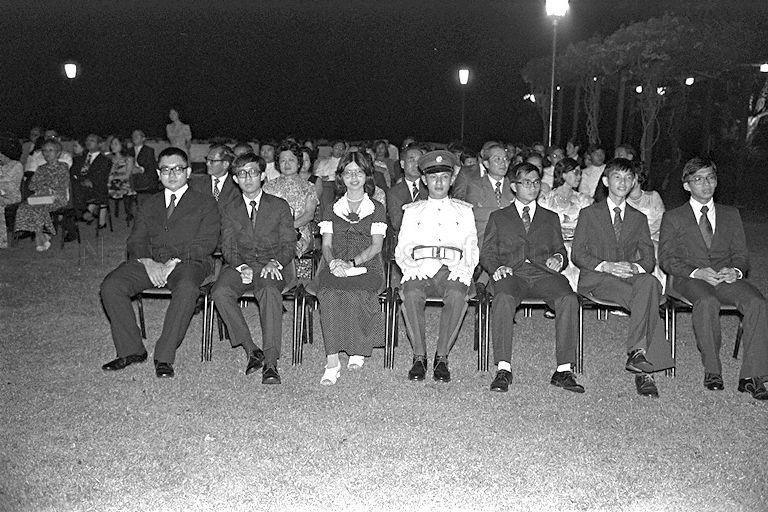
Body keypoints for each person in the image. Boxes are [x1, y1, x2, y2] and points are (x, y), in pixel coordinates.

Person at [100, 147, 219, 378]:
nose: (172, 174)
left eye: (177, 169)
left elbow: (206, 243)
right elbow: (135, 240)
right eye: (165, 169)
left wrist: (172, 262)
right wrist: (147, 261)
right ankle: (131, 350)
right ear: (158, 173)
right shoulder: (149, 204)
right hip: (150, 263)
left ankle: (164, 356)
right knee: (111, 286)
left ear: (189, 172)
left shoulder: (205, 203)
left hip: (189, 263)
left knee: (186, 288)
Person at [659, 157, 768, 400]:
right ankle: (713, 370)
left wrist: (736, 271)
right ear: (687, 185)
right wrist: (696, 272)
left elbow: (742, 256)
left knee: (757, 303)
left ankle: (753, 376)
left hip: (725, 277)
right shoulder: (674, 217)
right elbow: (666, 259)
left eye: (710, 178)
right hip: (689, 278)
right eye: (698, 179)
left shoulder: (731, 215)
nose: (705, 184)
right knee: (707, 302)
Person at [572, 158, 674, 397]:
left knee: (650, 282)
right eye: (618, 177)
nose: (623, 182)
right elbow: (578, 253)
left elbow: (649, 259)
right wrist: (606, 266)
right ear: (606, 181)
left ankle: (638, 353)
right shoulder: (589, 214)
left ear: (634, 183)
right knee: (647, 300)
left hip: (628, 276)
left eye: (629, 178)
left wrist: (633, 267)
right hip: (597, 279)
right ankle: (644, 371)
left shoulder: (638, 218)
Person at [481, 162, 582, 393]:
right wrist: (496, 267)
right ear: (514, 186)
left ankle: (564, 370)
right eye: (526, 182)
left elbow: (561, 250)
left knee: (568, 298)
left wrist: (558, 258)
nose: (533, 187)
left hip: (543, 273)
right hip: (512, 272)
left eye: (536, 182)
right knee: (503, 297)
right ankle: (504, 368)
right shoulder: (499, 217)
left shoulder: (550, 217)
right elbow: (487, 252)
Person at [395, 150, 479, 382]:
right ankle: (419, 356)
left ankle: (442, 357)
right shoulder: (412, 211)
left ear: (452, 180)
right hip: (421, 266)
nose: (439, 182)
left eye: (444, 177)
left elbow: (471, 246)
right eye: (433, 177)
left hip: (452, 268)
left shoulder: (464, 211)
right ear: (424, 180)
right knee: (410, 292)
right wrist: (411, 268)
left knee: (456, 293)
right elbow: (403, 247)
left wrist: (464, 270)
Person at [212, 153, 295, 384]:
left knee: (268, 291)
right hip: (241, 264)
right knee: (220, 292)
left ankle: (270, 362)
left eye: (253, 172)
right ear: (235, 179)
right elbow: (227, 246)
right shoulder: (229, 209)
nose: (248, 177)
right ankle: (251, 349)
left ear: (263, 176)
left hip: (272, 264)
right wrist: (240, 265)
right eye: (241, 173)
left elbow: (290, 243)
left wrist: (274, 262)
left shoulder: (279, 206)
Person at [314, 151, 387, 385]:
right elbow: (326, 245)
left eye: (359, 172)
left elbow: (376, 246)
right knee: (329, 294)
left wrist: (352, 263)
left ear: (367, 175)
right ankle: (332, 360)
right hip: (335, 263)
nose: (353, 177)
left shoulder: (377, 208)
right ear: (341, 177)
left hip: (368, 265)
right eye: (348, 172)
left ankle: (357, 347)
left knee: (357, 293)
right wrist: (334, 261)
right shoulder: (330, 208)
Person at [537, 157, 594, 291]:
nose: (579, 176)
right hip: (553, 245)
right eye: (575, 172)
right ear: (563, 174)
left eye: (580, 173)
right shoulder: (546, 200)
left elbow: (590, 228)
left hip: (578, 245)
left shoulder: (584, 200)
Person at [452, 144, 514, 250]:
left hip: (510, 246)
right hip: (480, 246)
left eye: (505, 159)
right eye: (497, 159)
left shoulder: (515, 186)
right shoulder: (474, 186)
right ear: (486, 164)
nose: (503, 163)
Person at [263, 141, 320, 258]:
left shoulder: (309, 187)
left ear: (299, 163)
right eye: (283, 161)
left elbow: (309, 215)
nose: (287, 164)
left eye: (291, 160)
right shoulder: (268, 187)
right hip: (273, 232)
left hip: (299, 232)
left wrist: (288, 228)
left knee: (290, 245)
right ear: (278, 164)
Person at [14, 139, 70, 251]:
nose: (47, 153)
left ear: (58, 152)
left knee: (37, 208)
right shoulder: (41, 168)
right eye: (44, 150)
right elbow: (32, 186)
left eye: (50, 150)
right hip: (42, 197)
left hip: (57, 198)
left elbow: (61, 185)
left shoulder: (63, 166)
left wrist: (44, 186)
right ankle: (41, 236)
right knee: (23, 207)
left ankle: (40, 238)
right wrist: (45, 186)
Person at [626, 161, 666, 288]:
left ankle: (657, 291)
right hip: (628, 241)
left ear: (637, 177)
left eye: (629, 176)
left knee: (653, 250)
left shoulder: (653, 197)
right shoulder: (621, 200)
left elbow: (660, 221)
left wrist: (643, 237)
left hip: (652, 239)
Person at [80, 134, 112, 229]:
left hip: (95, 186)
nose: (88, 142)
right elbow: (76, 172)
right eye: (87, 140)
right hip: (81, 185)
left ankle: (88, 212)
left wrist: (90, 181)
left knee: (100, 188)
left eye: (92, 140)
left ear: (99, 144)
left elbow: (102, 176)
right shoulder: (80, 158)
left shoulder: (105, 160)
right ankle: (87, 212)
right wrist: (81, 180)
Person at [107, 136, 140, 225]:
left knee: (123, 187)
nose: (113, 146)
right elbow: (110, 173)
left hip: (124, 182)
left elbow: (127, 175)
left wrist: (114, 178)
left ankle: (129, 212)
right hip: (113, 182)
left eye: (115, 144)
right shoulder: (110, 159)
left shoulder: (128, 158)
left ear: (122, 145)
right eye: (112, 144)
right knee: (103, 187)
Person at [0, 136, 24, 248]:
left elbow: (7, 182)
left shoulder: (16, 165)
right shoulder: (2, 166)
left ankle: (2, 240)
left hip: (12, 196)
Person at [128, 129, 159, 202]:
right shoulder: (129, 150)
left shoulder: (149, 150)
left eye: (137, 135)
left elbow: (150, 165)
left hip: (144, 176)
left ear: (143, 138)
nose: (134, 137)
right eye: (133, 135)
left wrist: (139, 169)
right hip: (131, 175)